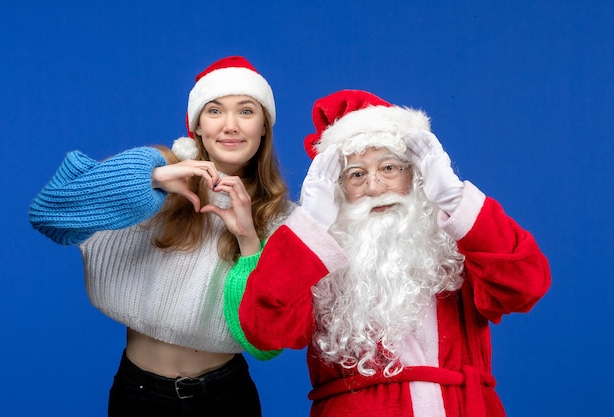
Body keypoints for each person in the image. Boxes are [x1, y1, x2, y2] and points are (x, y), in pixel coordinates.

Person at [224, 89, 551, 417]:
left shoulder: (456, 244)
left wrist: (453, 199)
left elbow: (527, 286)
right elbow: (263, 329)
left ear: (415, 174)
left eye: (389, 168)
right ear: (336, 190)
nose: (375, 187)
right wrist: (310, 225)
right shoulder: (313, 257)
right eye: (356, 175)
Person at [28, 56, 293, 416]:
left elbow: (268, 342)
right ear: (197, 125)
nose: (230, 126)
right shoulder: (151, 177)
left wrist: (249, 241)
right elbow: (49, 212)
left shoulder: (282, 219)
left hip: (227, 397)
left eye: (246, 111)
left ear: (264, 127)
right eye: (215, 111)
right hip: (140, 394)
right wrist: (151, 177)